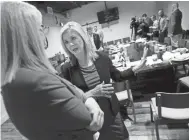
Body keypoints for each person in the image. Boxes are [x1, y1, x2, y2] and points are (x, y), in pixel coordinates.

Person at [1, 2, 104, 140]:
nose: (43, 33)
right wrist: (89, 98)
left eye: (74, 38)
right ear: (27, 34)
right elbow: (88, 118)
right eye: (40, 28)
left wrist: (88, 99)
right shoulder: (37, 78)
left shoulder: (17, 77)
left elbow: (71, 90)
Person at [60, 21, 149, 140]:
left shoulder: (102, 57)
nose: (70, 44)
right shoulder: (67, 70)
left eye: (73, 38)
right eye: (66, 42)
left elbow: (118, 76)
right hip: (90, 122)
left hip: (112, 114)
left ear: (83, 37)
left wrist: (136, 68)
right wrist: (92, 93)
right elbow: (69, 102)